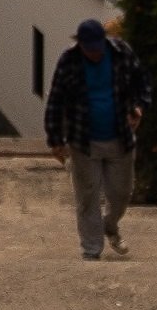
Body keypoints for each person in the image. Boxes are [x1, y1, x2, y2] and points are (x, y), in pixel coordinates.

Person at [43, 18, 151, 260]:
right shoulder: (69, 62)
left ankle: (110, 225)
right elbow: (56, 100)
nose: (95, 53)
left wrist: (139, 107)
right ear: (79, 45)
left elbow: (141, 82)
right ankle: (91, 251)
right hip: (83, 141)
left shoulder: (121, 53)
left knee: (122, 193)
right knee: (87, 196)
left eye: (98, 47)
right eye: (89, 49)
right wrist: (55, 139)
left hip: (120, 138)